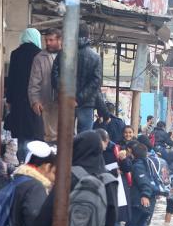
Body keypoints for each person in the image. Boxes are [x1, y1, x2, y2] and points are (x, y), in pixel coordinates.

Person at [52, 23, 101, 133]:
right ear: (88, 36)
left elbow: (55, 75)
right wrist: (78, 99)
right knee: (85, 138)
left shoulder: (63, 53)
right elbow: (96, 82)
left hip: (66, 102)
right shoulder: (95, 57)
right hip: (86, 104)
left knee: (64, 137)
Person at [5, 29, 44, 162]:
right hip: (35, 101)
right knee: (35, 133)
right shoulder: (40, 54)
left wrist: (9, 99)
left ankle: (22, 161)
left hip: (18, 101)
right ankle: (32, 162)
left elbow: (11, 79)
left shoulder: (15, 54)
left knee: (22, 135)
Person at [29, 28, 61, 143]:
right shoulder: (39, 58)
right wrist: (35, 101)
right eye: (46, 40)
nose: (48, 43)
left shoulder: (68, 56)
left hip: (65, 104)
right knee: (50, 138)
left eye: (51, 40)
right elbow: (34, 82)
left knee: (67, 137)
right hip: (47, 104)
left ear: (59, 40)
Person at [128, 142, 155, 226]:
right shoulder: (147, 163)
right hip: (149, 201)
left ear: (134, 154)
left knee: (130, 225)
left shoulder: (138, 166)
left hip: (141, 201)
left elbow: (143, 181)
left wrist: (144, 195)